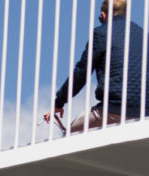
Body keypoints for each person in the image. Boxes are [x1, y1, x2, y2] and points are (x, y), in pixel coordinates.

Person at [44, 0, 147, 133]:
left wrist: (58, 103)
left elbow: (81, 73)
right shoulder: (144, 36)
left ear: (103, 15)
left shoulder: (101, 33)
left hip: (113, 110)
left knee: (70, 134)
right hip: (145, 114)